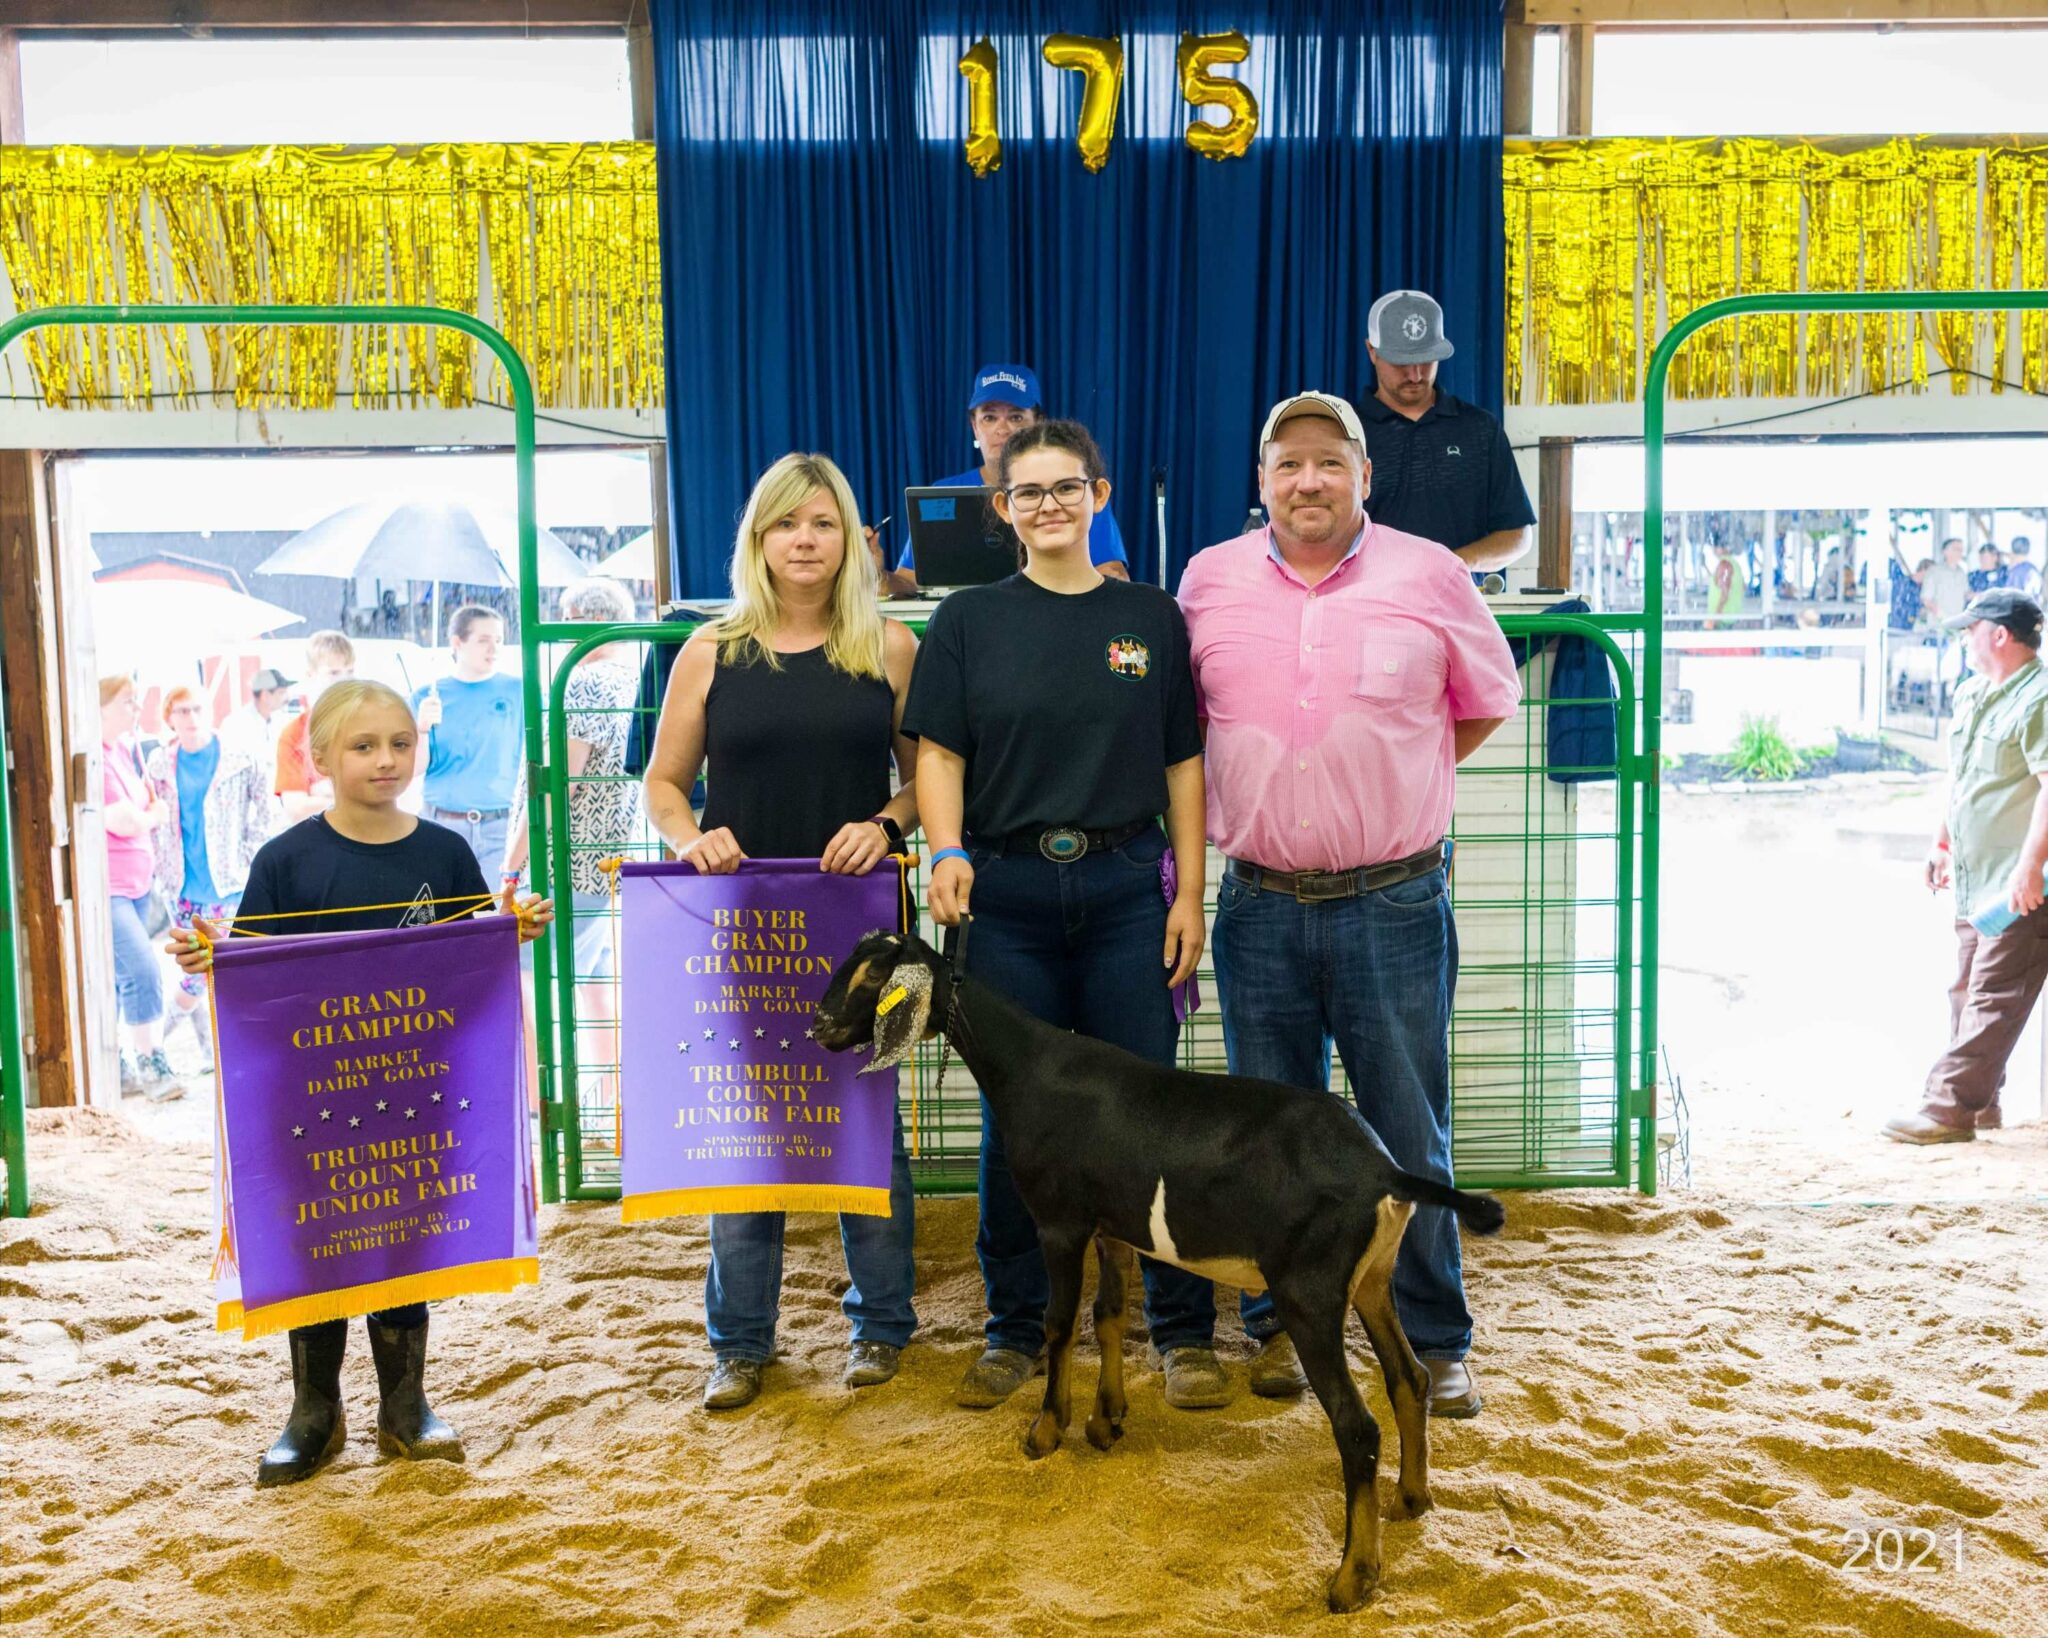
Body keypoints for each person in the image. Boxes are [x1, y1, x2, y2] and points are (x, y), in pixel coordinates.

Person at [1178, 390, 1522, 1417]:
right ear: (1261, 480)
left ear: (1363, 475)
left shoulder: (1430, 574)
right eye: (1286, 465)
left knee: (1405, 1133)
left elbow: (1480, 706)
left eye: (1329, 462)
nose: (1307, 481)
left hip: (1394, 903)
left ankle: (1433, 1337)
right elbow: (1181, 737)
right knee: (1267, 1142)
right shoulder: (1205, 582)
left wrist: (1392, 784)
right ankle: (1283, 1328)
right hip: (1257, 908)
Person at [165, 679, 553, 1486]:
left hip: (415, 1086)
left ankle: (405, 1406)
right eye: (364, 746)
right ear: (320, 758)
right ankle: (314, 1411)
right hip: (309, 1098)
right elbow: (257, 981)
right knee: (315, 1238)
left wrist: (509, 930)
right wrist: (215, 959)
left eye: (401, 744)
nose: (386, 761)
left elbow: (469, 967)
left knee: (404, 1236)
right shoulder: (286, 860)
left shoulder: (443, 853)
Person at [904, 418, 1216, 1412]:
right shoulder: (964, 623)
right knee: (1018, 1127)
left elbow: (1182, 767)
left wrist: (1190, 897)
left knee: (1153, 1116)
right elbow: (937, 756)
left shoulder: (1151, 619)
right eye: (1026, 492)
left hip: (1130, 893)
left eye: (1063, 488)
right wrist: (944, 851)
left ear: (1099, 494)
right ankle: (1015, 1330)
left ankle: (1179, 1332)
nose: (1046, 506)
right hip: (1006, 899)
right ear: (1002, 509)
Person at [643, 453, 922, 1411]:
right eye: (784, 525)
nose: (804, 541)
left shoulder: (887, 648)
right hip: (740, 932)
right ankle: (741, 1343)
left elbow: (928, 780)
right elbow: (664, 785)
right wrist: (692, 838)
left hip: (862, 933)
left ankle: (882, 1325)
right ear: (757, 541)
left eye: (823, 523)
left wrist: (886, 824)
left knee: (871, 1130)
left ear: (850, 539)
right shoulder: (711, 651)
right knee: (744, 1139)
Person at [1883, 589, 2048, 1144]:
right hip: (1976, 876)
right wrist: (1942, 843)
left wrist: (2031, 868)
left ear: (1999, 634)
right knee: (1966, 989)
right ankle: (1981, 1104)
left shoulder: (2040, 696)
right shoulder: (1974, 693)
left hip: (2019, 883)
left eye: (1969, 628)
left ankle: (1947, 1109)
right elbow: (1964, 781)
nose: (1963, 638)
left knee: (1994, 995)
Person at [884, 364, 1131, 595]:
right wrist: (870, 571)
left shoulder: (1075, 493)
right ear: (974, 426)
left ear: (1038, 423)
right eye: (989, 418)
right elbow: (906, 581)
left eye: (1015, 417)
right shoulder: (944, 491)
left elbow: (1114, 574)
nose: (1002, 429)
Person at [1358, 291, 1533, 573]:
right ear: (1372, 351)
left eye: (1427, 360)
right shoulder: (1347, 432)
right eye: (1401, 362)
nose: (1415, 375)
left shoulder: (1479, 428)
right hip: (1368, 602)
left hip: (1457, 600)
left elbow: (1517, 535)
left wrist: (1450, 566)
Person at [145, 685, 274, 1063]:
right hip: (180, 884)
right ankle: (209, 1052)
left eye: (197, 709)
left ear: (210, 711)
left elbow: (264, 811)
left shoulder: (238, 758)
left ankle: (156, 1042)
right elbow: (156, 819)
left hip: (226, 882)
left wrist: (249, 856)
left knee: (207, 967)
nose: (191, 719)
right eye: (182, 711)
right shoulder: (158, 765)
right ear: (169, 717)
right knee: (195, 962)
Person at [99, 676, 180, 1101]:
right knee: (144, 969)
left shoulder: (125, 752)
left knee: (120, 977)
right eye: (127, 702)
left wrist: (147, 811)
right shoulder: (97, 756)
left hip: (135, 884)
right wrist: (152, 815)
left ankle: (119, 1066)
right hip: (109, 886)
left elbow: (141, 809)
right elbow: (123, 820)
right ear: (101, 707)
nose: (135, 709)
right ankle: (151, 1062)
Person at [413, 605, 524, 882]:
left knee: (494, 916)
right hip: (441, 824)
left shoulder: (520, 691)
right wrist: (422, 730)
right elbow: (411, 769)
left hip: (501, 825)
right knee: (441, 915)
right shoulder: (428, 697)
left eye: (498, 640)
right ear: (457, 642)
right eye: (483, 640)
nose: (494, 649)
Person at [276, 632, 356, 824]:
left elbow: (385, 793)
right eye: (334, 673)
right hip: (318, 844)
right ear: (310, 675)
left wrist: (325, 793)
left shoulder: (371, 724)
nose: (344, 680)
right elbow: (296, 808)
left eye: (350, 671)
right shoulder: (294, 734)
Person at [217, 666, 292, 768]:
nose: (288, 698)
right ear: (265, 695)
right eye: (281, 693)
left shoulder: (281, 721)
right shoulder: (235, 725)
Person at [1924, 537, 1971, 625]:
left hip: (1956, 624)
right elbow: (1926, 600)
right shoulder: (1934, 571)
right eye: (1956, 549)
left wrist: (1981, 596)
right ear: (1945, 552)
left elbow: (1966, 594)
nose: (1960, 552)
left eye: (1961, 550)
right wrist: (1942, 615)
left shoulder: (1961, 573)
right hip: (1937, 626)